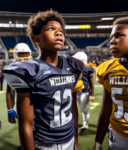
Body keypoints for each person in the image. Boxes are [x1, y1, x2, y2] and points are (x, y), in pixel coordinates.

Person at [3, 9, 84, 150]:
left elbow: (72, 108)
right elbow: (25, 125)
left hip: (69, 139)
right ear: (37, 39)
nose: (59, 32)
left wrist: (76, 143)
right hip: (44, 144)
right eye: (51, 29)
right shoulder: (30, 71)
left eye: (61, 30)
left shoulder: (74, 65)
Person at [93, 17, 128, 150]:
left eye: (119, 36)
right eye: (111, 37)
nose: (112, 41)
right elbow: (106, 110)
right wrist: (98, 143)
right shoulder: (106, 68)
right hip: (115, 138)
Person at [6, 43, 33, 123]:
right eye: (21, 54)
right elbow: (9, 91)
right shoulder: (12, 70)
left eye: (26, 54)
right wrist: (10, 110)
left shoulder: (34, 66)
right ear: (16, 55)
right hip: (22, 103)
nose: (25, 56)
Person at [73, 52, 95, 135]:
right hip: (77, 91)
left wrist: (92, 94)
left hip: (85, 91)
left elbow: (91, 82)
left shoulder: (87, 68)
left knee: (83, 108)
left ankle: (86, 123)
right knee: (78, 107)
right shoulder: (74, 68)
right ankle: (83, 122)